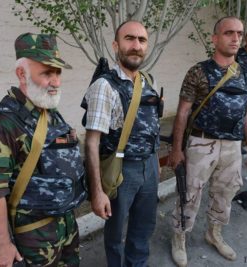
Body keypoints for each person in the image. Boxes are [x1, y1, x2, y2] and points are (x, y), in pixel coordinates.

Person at [0, 33, 87, 266]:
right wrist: (1, 245)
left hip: (66, 226)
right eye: (46, 73)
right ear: (21, 73)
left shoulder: (49, 113)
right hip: (33, 239)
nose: (55, 81)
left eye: (57, 73)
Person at [168, 17, 247, 267]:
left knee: (226, 193)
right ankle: (179, 236)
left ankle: (213, 233)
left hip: (232, 146)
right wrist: (176, 149)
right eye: (229, 33)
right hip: (201, 143)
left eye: (239, 34)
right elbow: (183, 112)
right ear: (215, 38)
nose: (235, 38)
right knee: (190, 193)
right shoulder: (199, 71)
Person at [83, 20, 161, 267]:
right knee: (116, 233)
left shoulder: (149, 80)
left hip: (149, 167)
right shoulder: (104, 86)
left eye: (142, 40)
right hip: (120, 170)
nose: (136, 46)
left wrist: (155, 163)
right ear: (116, 45)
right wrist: (97, 192)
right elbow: (92, 143)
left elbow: (153, 127)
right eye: (129, 39)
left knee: (143, 227)